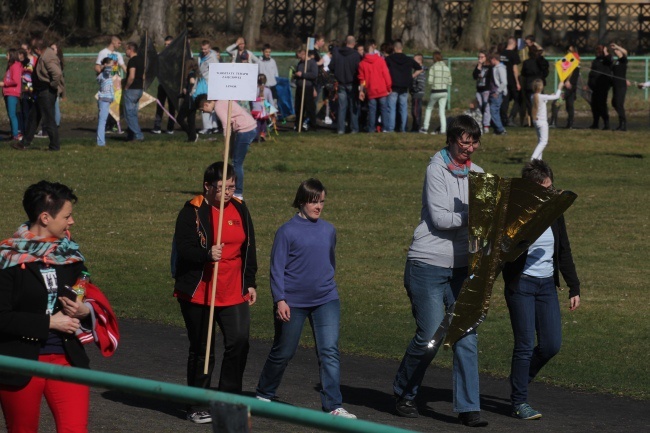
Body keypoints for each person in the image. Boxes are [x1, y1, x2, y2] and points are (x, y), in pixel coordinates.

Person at [0, 180, 118, 433]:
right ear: (45, 217)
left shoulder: (69, 255)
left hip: (67, 359)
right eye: (67, 215)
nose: (71, 221)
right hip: (20, 363)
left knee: (75, 429)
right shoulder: (6, 259)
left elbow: (83, 287)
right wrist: (49, 323)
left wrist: (84, 310)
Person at [393, 115, 488, 428]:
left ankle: (469, 408)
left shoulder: (478, 174)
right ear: (451, 140)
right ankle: (404, 392)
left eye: (474, 142)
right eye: (464, 142)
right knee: (431, 334)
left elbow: (485, 222)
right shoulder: (435, 169)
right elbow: (441, 220)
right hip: (427, 263)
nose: (469, 148)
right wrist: (472, 213)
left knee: (466, 333)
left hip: (462, 267)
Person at [256, 178, 357, 420]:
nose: (318, 206)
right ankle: (264, 393)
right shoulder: (286, 231)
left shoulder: (329, 230)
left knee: (329, 351)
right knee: (284, 351)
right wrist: (280, 299)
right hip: (292, 303)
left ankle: (333, 404)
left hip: (326, 299)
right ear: (302, 201)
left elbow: (329, 262)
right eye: (314, 201)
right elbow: (276, 269)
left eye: (322, 201)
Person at [172, 162, 257, 424]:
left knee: (239, 342)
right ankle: (197, 404)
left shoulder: (240, 208)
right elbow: (184, 249)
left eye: (232, 186)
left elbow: (249, 247)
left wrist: (250, 281)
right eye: (223, 188)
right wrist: (207, 254)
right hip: (201, 292)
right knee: (202, 349)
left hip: (233, 290)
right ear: (208, 187)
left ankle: (228, 399)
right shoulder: (193, 211)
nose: (229, 192)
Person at [502, 159, 581, 420]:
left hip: (547, 285)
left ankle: (520, 379)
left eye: (551, 187)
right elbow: (505, 252)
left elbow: (564, 250)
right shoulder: (515, 213)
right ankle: (519, 401)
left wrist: (573, 286)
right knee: (524, 345)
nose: (551, 192)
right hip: (521, 285)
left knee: (551, 345)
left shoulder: (555, 212)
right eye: (545, 189)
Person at [197, 96, 257, 201]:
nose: (204, 112)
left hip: (245, 130)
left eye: (203, 110)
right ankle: (237, 191)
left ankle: (238, 193)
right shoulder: (222, 103)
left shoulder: (219, 106)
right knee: (235, 160)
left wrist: (226, 148)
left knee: (236, 163)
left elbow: (226, 126)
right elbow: (232, 123)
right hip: (245, 129)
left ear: (206, 104)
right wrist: (231, 148)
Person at [14, 39, 63, 152]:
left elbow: (57, 73)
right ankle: (24, 143)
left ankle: (54, 146)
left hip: (46, 92)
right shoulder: (45, 54)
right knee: (34, 117)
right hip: (41, 92)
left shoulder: (47, 57)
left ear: (38, 49)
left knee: (48, 119)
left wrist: (52, 85)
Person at [385, 41, 423, 133]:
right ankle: (403, 128)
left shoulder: (389, 59)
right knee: (403, 108)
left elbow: (384, 69)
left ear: (394, 48)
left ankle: (391, 128)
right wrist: (412, 76)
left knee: (392, 108)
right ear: (401, 48)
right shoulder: (408, 59)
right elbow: (419, 68)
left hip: (393, 86)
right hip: (405, 86)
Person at [330, 36, 361, 134]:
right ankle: (354, 128)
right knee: (353, 107)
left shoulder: (337, 53)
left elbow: (331, 66)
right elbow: (359, 69)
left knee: (341, 107)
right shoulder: (356, 55)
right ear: (354, 43)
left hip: (341, 82)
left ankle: (340, 129)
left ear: (345, 42)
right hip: (352, 82)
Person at [530, 79, 563, 160]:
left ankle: (538, 161)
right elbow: (556, 97)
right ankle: (533, 159)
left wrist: (548, 97)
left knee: (540, 141)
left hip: (536, 121)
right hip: (542, 122)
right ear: (541, 87)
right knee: (544, 142)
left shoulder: (533, 96)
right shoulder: (541, 96)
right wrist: (559, 88)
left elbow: (541, 101)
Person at [421, 51, 451, 135]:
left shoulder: (433, 67)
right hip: (444, 91)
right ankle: (443, 130)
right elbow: (450, 81)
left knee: (429, 108)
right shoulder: (446, 67)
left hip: (435, 91)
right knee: (442, 111)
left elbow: (430, 81)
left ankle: (425, 128)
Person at [520, 44, 549, 127]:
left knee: (530, 104)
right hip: (539, 83)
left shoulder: (526, 63)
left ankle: (532, 121)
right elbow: (545, 72)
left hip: (529, 84)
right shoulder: (541, 62)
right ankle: (540, 119)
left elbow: (523, 74)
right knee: (539, 103)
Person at [152, 35, 176, 135]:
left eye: (169, 44)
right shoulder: (161, 55)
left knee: (172, 107)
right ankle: (157, 127)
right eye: (165, 44)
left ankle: (170, 128)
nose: (167, 46)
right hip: (162, 84)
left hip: (172, 85)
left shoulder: (176, 55)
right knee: (160, 105)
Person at [123, 42, 145, 142]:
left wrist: (126, 86)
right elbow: (144, 75)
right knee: (133, 113)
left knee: (129, 114)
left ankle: (138, 134)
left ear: (130, 50)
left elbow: (131, 76)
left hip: (132, 89)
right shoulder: (141, 60)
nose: (125, 52)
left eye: (126, 49)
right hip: (139, 89)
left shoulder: (132, 61)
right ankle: (131, 135)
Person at [587, 44, 612, 130]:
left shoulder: (606, 59)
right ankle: (595, 123)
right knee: (594, 105)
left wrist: (605, 52)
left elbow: (610, 60)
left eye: (600, 50)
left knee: (602, 105)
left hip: (602, 86)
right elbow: (592, 73)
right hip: (594, 87)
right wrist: (588, 84)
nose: (598, 52)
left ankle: (606, 123)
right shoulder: (595, 60)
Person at [293, 48, 319, 132]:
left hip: (308, 87)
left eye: (300, 56)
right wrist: (296, 75)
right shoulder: (300, 63)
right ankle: (298, 125)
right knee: (298, 107)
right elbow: (298, 73)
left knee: (309, 107)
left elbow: (314, 75)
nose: (299, 58)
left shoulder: (312, 63)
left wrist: (303, 74)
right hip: (300, 87)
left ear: (304, 54)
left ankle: (313, 125)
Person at [176, 58, 201, 143]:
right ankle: (192, 138)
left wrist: (188, 89)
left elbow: (192, 82)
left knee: (179, 119)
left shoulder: (191, 74)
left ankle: (192, 135)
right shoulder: (197, 74)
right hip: (195, 100)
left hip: (189, 100)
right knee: (191, 120)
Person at [198, 40, 220, 135]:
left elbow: (217, 71)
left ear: (209, 48)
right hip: (203, 82)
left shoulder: (212, 58)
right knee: (210, 105)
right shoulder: (200, 55)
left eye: (206, 49)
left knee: (205, 104)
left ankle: (208, 127)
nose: (204, 51)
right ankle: (214, 126)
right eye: (202, 49)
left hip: (209, 83)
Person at [1, 48, 23, 141]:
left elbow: (15, 81)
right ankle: (13, 133)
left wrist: (4, 83)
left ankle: (15, 135)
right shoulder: (10, 66)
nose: (6, 56)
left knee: (12, 114)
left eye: (7, 55)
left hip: (12, 93)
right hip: (7, 92)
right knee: (10, 114)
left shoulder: (16, 66)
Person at [500, 37, 522, 126]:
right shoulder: (513, 54)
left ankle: (503, 118)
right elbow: (515, 70)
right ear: (515, 44)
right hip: (511, 80)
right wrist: (517, 82)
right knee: (518, 99)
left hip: (502, 80)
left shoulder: (501, 53)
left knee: (505, 100)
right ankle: (511, 117)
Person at [250, 73, 276, 141]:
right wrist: (272, 112)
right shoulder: (268, 90)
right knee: (263, 122)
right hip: (264, 108)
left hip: (256, 109)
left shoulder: (253, 89)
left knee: (257, 123)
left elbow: (251, 100)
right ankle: (262, 134)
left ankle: (256, 135)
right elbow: (271, 101)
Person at [610, 43, 630, 131]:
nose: (616, 52)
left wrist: (617, 46)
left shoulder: (623, 60)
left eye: (617, 51)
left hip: (621, 85)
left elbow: (625, 52)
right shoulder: (616, 61)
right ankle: (621, 122)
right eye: (615, 51)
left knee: (619, 104)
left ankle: (623, 124)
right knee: (614, 103)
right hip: (615, 85)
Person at [96, 57, 115, 146]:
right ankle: (100, 142)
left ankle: (101, 141)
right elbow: (107, 69)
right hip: (104, 100)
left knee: (103, 120)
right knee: (102, 121)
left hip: (105, 100)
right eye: (111, 64)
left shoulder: (103, 74)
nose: (113, 65)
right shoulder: (105, 74)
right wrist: (106, 65)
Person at [472, 50, 491, 134]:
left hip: (486, 89)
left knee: (486, 107)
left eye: (482, 57)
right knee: (478, 106)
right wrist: (479, 66)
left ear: (486, 57)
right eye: (479, 57)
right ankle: (479, 124)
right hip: (479, 89)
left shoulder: (489, 67)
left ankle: (486, 125)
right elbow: (474, 76)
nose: (480, 59)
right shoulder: (479, 66)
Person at [489, 53, 508, 135]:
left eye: (490, 60)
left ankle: (500, 129)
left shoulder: (500, 69)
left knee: (493, 110)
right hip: (494, 92)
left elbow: (504, 82)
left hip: (497, 92)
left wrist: (497, 92)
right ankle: (497, 129)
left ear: (494, 59)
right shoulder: (495, 68)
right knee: (495, 111)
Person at [409, 54, 426, 132]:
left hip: (417, 93)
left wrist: (414, 90)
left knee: (416, 111)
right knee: (416, 110)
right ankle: (415, 127)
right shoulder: (416, 70)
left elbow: (421, 83)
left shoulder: (420, 71)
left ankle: (416, 127)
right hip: (416, 93)